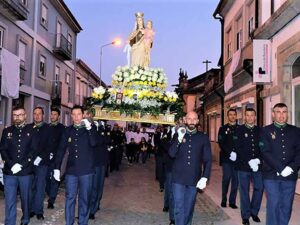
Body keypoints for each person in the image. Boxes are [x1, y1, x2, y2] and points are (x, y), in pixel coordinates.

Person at [53, 105, 98, 225]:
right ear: (71, 116)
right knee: (70, 198)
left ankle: (83, 222)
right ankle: (69, 222)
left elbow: (94, 143)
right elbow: (61, 149)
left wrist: (89, 128)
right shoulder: (67, 130)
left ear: (83, 115)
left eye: (79, 114)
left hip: (86, 170)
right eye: (74, 114)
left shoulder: (90, 128)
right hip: (71, 170)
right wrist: (57, 168)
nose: (77, 117)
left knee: (84, 199)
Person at [259, 103, 300, 225]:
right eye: (278, 112)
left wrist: (292, 167)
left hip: (290, 175)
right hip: (271, 175)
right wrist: (281, 168)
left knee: (286, 205)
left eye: (284, 112)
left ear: (287, 114)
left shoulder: (296, 131)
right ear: (273, 114)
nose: (281, 115)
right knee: (274, 203)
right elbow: (265, 152)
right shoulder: (265, 131)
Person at [169, 111, 212, 225]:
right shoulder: (178, 135)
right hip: (178, 177)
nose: (192, 121)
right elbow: (171, 154)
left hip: (194, 178)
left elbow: (208, 159)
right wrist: (178, 139)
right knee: (178, 206)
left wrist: (205, 177)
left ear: (198, 121)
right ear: (185, 120)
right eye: (189, 119)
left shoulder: (203, 137)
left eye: (194, 119)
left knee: (189, 207)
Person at [0, 106, 37, 225]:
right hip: (10, 172)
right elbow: (3, 149)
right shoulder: (7, 131)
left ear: (25, 116)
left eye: (20, 115)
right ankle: (9, 222)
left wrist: (21, 165)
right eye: (15, 115)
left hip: (26, 172)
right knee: (10, 200)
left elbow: (33, 151)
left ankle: (25, 219)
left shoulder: (32, 131)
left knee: (26, 198)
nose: (17, 117)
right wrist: (11, 164)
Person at [234, 108, 263, 225]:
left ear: (255, 117)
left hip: (257, 166)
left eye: (252, 115)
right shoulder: (239, 130)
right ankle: (245, 216)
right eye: (248, 115)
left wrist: (258, 160)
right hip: (243, 166)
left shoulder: (260, 130)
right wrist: (249, 160)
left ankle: (254, 212)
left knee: (259, 188)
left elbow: (263, 147)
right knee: (244, 191)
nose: (250, 117)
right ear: (245, 117)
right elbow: (238, 147)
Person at [30, 106, 50, 220]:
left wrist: (39, 158)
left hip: (42, 163)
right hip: (29, 163)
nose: (37, 116)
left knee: (40, 187)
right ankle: (31, 209)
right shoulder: (29, 127)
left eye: (39, 113)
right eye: (35, 113)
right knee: (30, 187)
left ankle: (39, 211)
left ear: (43, 115)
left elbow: (49, 146)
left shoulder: (47, 128)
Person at [218, 108, 239, 208]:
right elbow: (221, 143)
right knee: (226, 178)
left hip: (238, 159)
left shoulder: (240, 128)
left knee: (236, 180)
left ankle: (232, 201)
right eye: (230, 114)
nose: (232, 116)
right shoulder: (222, 129)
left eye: (234, 114)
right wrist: (230, 153)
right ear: (228, 116)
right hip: (227, 158)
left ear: (236, 115)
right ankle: (223, 199)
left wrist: (238, 154)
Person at [46, 108, 66, 209]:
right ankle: (50, 193)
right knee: (45, 178)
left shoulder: (62, 128)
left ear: (58, 116)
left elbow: (63, 145)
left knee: (55, 179)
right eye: (52, 114)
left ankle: (51, 200)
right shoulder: (46, 127)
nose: (53, 116)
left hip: (57, 158)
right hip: (45, 158)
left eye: (55, 114)